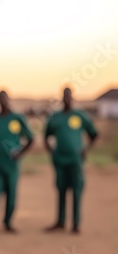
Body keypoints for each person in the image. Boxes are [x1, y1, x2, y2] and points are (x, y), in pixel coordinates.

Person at [44, 87, 98, 234]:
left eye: (69, 96)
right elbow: (46, 135)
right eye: (64, 96)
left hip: (75, 161)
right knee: (61, 190)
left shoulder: (80, 116)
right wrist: (52, 152)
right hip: (60, 160)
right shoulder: (56, 117)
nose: (67, 99)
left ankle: (76, 224)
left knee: (76, 191)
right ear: (62, 98)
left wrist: (85, 149)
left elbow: (93, 134)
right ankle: (60, 221)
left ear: (72, 98)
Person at [0, 91, 33, 233]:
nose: (3, 102)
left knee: (11, 194)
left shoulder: (17, 119)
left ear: (8, 100)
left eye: (5, 99)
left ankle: (8, 222)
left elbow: (30, 138)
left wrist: (21, 153)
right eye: (0, 99)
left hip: (11, 165)